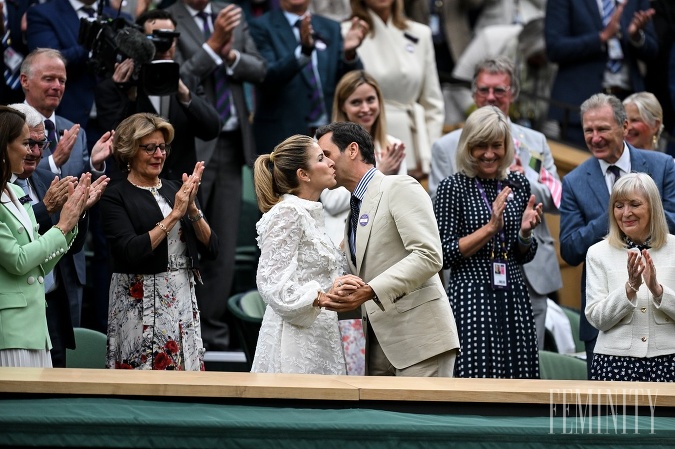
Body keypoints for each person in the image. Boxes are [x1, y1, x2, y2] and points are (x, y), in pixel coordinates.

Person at [429, 57, 562, 351]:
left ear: (512, 93)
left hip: (527, 268)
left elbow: (555, 197)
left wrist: (519, 178)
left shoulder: (535, 141)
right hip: (471, 276)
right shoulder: (447, 146)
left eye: (499, 90)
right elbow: (439, 210)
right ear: (474, 93)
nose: (491, 97)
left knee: (527, 358)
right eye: (484, 90)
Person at [316, 121, 459, 377]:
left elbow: (429, 256)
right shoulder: (354, 210)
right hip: (378, 347)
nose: (324, 163)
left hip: (422, 343)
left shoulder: (400, 186)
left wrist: (370, 290)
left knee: (420, 419)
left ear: (352, 150)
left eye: (326, 154)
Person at [166, 0, 267, 350]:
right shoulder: (170, 17)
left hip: (232, 143)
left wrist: (231, 55)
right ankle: (184, 329)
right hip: (187, 145)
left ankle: (213, 334)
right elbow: (175, 79)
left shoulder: (231, 13)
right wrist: (213, 46)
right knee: (184, 238)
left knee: (220, 244)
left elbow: (259, 68)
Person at [559, 93, 675, 376]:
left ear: (624, 128)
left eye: (603, 129)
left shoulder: (662, 165)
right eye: (588, 130)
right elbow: (570, 249)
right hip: (609, 336)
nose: (595, 137)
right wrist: (614, 214)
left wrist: (639, 213)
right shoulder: (574, 182)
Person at [100, 113, 218, 370]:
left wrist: (192, 209)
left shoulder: (175, 187)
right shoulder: (115, 196)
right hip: (139, 301)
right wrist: (175, 214)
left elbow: (212, 248)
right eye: (150, 148)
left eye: (162, 147)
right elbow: (130, 251)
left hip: (181, 296)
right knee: (143, 375)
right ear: (130, 151)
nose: (159, 154)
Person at [434, 106, 542, 378]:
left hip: (514, 293)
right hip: (471, 296)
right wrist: (491, 228)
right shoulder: (452, 187)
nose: (490, 154)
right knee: (476, 378)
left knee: (519, 378)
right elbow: (443, 254)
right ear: (468, 146)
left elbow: (524, 255)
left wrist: (525, 234)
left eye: (497, 145)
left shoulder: (519, 184)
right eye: (481, 145)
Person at [251, 134, 363, 374]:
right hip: (293, 340)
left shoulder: (308, 214)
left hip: (321, 333)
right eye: (322, 158)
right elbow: (271, 283)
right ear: (304, 174)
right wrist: (321, 297)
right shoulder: (288, 213)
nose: (332, 162)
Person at [8, 102, 109, 367]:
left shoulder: (43, 177)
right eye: (29, 143)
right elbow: (21, 247)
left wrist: (79, 211)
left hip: (51, 304)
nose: (36, 152)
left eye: (42, 144)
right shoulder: (4, 187)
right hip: (13, 315)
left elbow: (71, 247)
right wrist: (47, 210)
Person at [95, 9, 221, 183]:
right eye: (156, 38)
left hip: (181, 186)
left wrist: (184, 93)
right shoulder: (115, 86)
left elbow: (211, 129)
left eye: (170, 38)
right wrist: (129, 95)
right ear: (139, 41)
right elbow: (115, 143)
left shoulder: (187, 81)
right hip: (135, 190)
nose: (165, 45)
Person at [586, 173, 675, 382]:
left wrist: (658, 291)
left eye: (634, 204)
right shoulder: (597, 253)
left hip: (669, 360)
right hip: (614, 363)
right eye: (619, 205)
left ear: (652, 207)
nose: (626, 213)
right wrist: (629, 288)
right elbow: (596, 318)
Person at [249, 0, 368, 154]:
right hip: (283, 138)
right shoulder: (260, 26)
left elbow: (349, 82)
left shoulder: (330, 27)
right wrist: (303, 52)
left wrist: (349, 54)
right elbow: (267, 77)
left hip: (329, 134)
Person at [347, 0, 444, 177]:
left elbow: (432, 103)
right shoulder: (345, 32)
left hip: (414, 143)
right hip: (362, 144)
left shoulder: (420, 33)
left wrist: (429, 152)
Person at [544, 0, 657, 146]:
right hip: (581, 106)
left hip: (625, 107)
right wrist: (601, 37)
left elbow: (653, 51)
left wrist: (636, 36)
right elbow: (554, 48)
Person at [320, 70, 406, 245]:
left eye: (370, 100)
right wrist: (379, 172)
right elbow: (332, 203)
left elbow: (400, 201)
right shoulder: (323, 144)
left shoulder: (393, 146)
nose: (365, 108)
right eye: (356, 102)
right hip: (339, 239)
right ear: (343, 106)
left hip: (381, 240)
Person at [26, 0, 131, 129]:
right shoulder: (43, 13)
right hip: (66, 119)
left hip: (113, 121)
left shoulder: (119, 18)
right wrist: (95, 45)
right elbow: (45, 61)